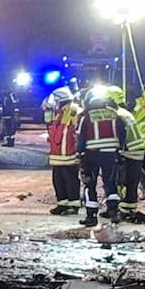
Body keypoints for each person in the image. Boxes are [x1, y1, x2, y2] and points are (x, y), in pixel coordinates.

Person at [76, 87, 124, 226]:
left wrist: (80, 154)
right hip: (111, 154)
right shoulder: (113, 114)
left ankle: (91, 216)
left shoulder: (86, 116)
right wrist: (120, 150)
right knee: (110, 183)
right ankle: (114, 211)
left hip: (91, 154)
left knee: (90, 184)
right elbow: (122, 133)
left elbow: (81, 137)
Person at [106, 86, 145, 223]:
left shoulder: (118, 114)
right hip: (137, 150)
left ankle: (123, 211)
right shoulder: (125, 112)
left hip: (129, 151)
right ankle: (129, 209)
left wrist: (118, 153)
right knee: (132, 182)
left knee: (123, 181)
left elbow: (120, 135)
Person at [46, 87, 82, 215]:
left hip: (70, 153)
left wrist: (79, 150)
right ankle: (62, 203)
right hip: (58, 154)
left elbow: (78, 132)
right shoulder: (60, 112)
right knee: (58, 179)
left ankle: (73, 204)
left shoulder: (74, 111)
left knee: (70, 179)